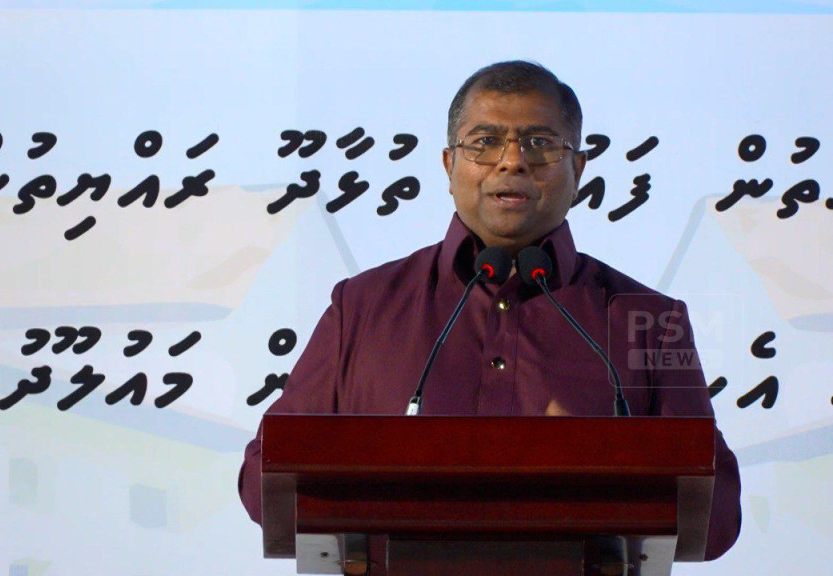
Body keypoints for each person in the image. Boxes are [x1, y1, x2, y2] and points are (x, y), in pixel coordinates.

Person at [240, 60, 741, 565]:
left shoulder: (651, 321)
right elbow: (263, 480)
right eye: (485, 142)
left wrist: (598, 459)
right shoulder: (363, 305)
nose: (512, 161)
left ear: (578, 169)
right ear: (448, 164)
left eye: (540, 142)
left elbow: (717, 515)